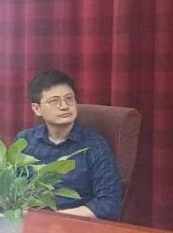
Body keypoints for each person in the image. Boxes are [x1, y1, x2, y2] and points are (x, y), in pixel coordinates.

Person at [14, 70, 121, 220]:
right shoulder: (24, 140)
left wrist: (55, 218)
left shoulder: (95, 145)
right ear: (36, 109)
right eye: (55, 101)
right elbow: (9, 190)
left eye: (69, 99)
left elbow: (109, 204)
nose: (64, 106)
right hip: (29, 223)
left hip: (75, 224)